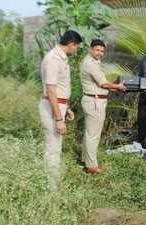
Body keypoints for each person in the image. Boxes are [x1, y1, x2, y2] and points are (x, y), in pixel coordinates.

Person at [38, 30, 82, 190]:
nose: (76, 50)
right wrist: (58, 119)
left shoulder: (60, 58)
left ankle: (53, 183)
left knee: (56, 145)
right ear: (71, 44)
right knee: (52, 147)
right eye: (76, 47)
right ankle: (51, 187)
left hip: (58, 105)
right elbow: (51, 90)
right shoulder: (53, 59)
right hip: (51, 107)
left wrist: (66, 108)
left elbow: (59, 88)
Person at [81, 39, 127, 174]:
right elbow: (102, 84)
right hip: (94, 102)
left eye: (102, 51)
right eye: (97, 50)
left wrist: (114, 88)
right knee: (93, 135)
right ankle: (91, 166)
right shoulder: (90, 64)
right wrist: (117, 86)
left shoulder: (94, 62)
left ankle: (85, 159)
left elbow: (102, 83)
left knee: (89, 132)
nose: (100, 53)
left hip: (94, 100)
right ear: (90, 49)